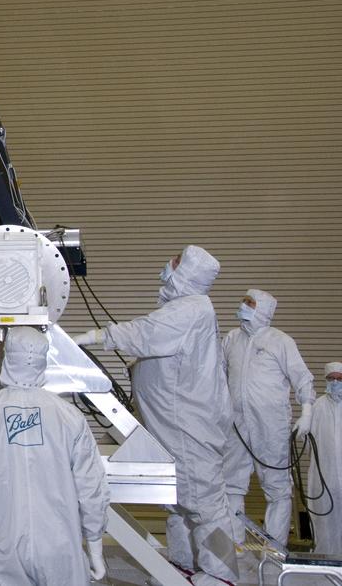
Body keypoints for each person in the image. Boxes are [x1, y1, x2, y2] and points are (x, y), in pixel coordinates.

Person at [74, 245, 237, 585]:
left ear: (187, 272)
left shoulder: (191, 309)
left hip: (188, 428)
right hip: (174, 426)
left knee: (205, 504)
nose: (168, 265)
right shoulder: (185, 309)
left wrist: (96, 336)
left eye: (176, 261)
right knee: (178, 502)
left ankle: (221, 576)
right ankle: (183, 565)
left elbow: (145, 334)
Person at [0, 326, 110, 585]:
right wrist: (95, 544)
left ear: (7, 358)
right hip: (60, 547)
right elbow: (90, 486)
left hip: (6, 548)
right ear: (43, 361)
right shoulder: (68, 415)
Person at [222, 289, 315, 546]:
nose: (243, 305)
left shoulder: (280, 341)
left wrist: (307, 411)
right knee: (230, 484)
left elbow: (302, 377)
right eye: (243, 300)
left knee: (277, 488)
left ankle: (273, 550)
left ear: (263, 309)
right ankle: (233, 547)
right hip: (236, 424)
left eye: (249, 303)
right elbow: (217, 375)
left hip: (270, 425)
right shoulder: (231, 339)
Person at [309, 363, 342, 555]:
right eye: (331, 378)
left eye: (339, 378)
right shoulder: (317, 406)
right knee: (325, 516)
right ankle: (326, 556)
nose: (335, 382)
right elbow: (307, 439)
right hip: (324, 473)